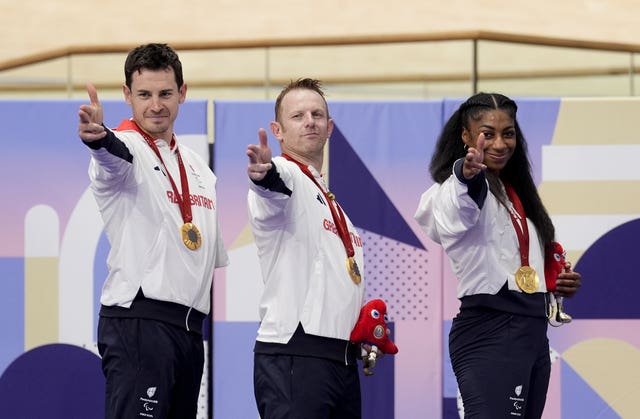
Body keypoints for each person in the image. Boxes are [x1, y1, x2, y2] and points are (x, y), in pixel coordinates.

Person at [77, 43, 229, 419]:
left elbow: (206, 252)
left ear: (183, 92)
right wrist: (99, 138)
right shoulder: (126, 146)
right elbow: (113, 158)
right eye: (144, 94)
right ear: (127, 95)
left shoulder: (196, 167)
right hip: (140, 324)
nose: (156, 105)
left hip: (190, 331)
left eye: (165, 93)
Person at [414, 92, 582, 418]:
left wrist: (554, 285)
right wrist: (465, 173)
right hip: (490, 331)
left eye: (508, 133)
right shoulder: (459, 188)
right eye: (487, 134)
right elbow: (456, 212)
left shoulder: (516, 194)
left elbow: (517, 263)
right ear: (466, 136)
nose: (500, 144)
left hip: (532, 333)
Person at [246, 78, 367, 419]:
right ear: (278, 130)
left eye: (317, 114)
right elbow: (272, 190)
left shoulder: (329, 200)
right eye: (298, 115)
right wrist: (263, 176)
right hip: (296, 354)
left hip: (339, 359)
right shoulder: (286, 173)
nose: (310, 121)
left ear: (329, 127)